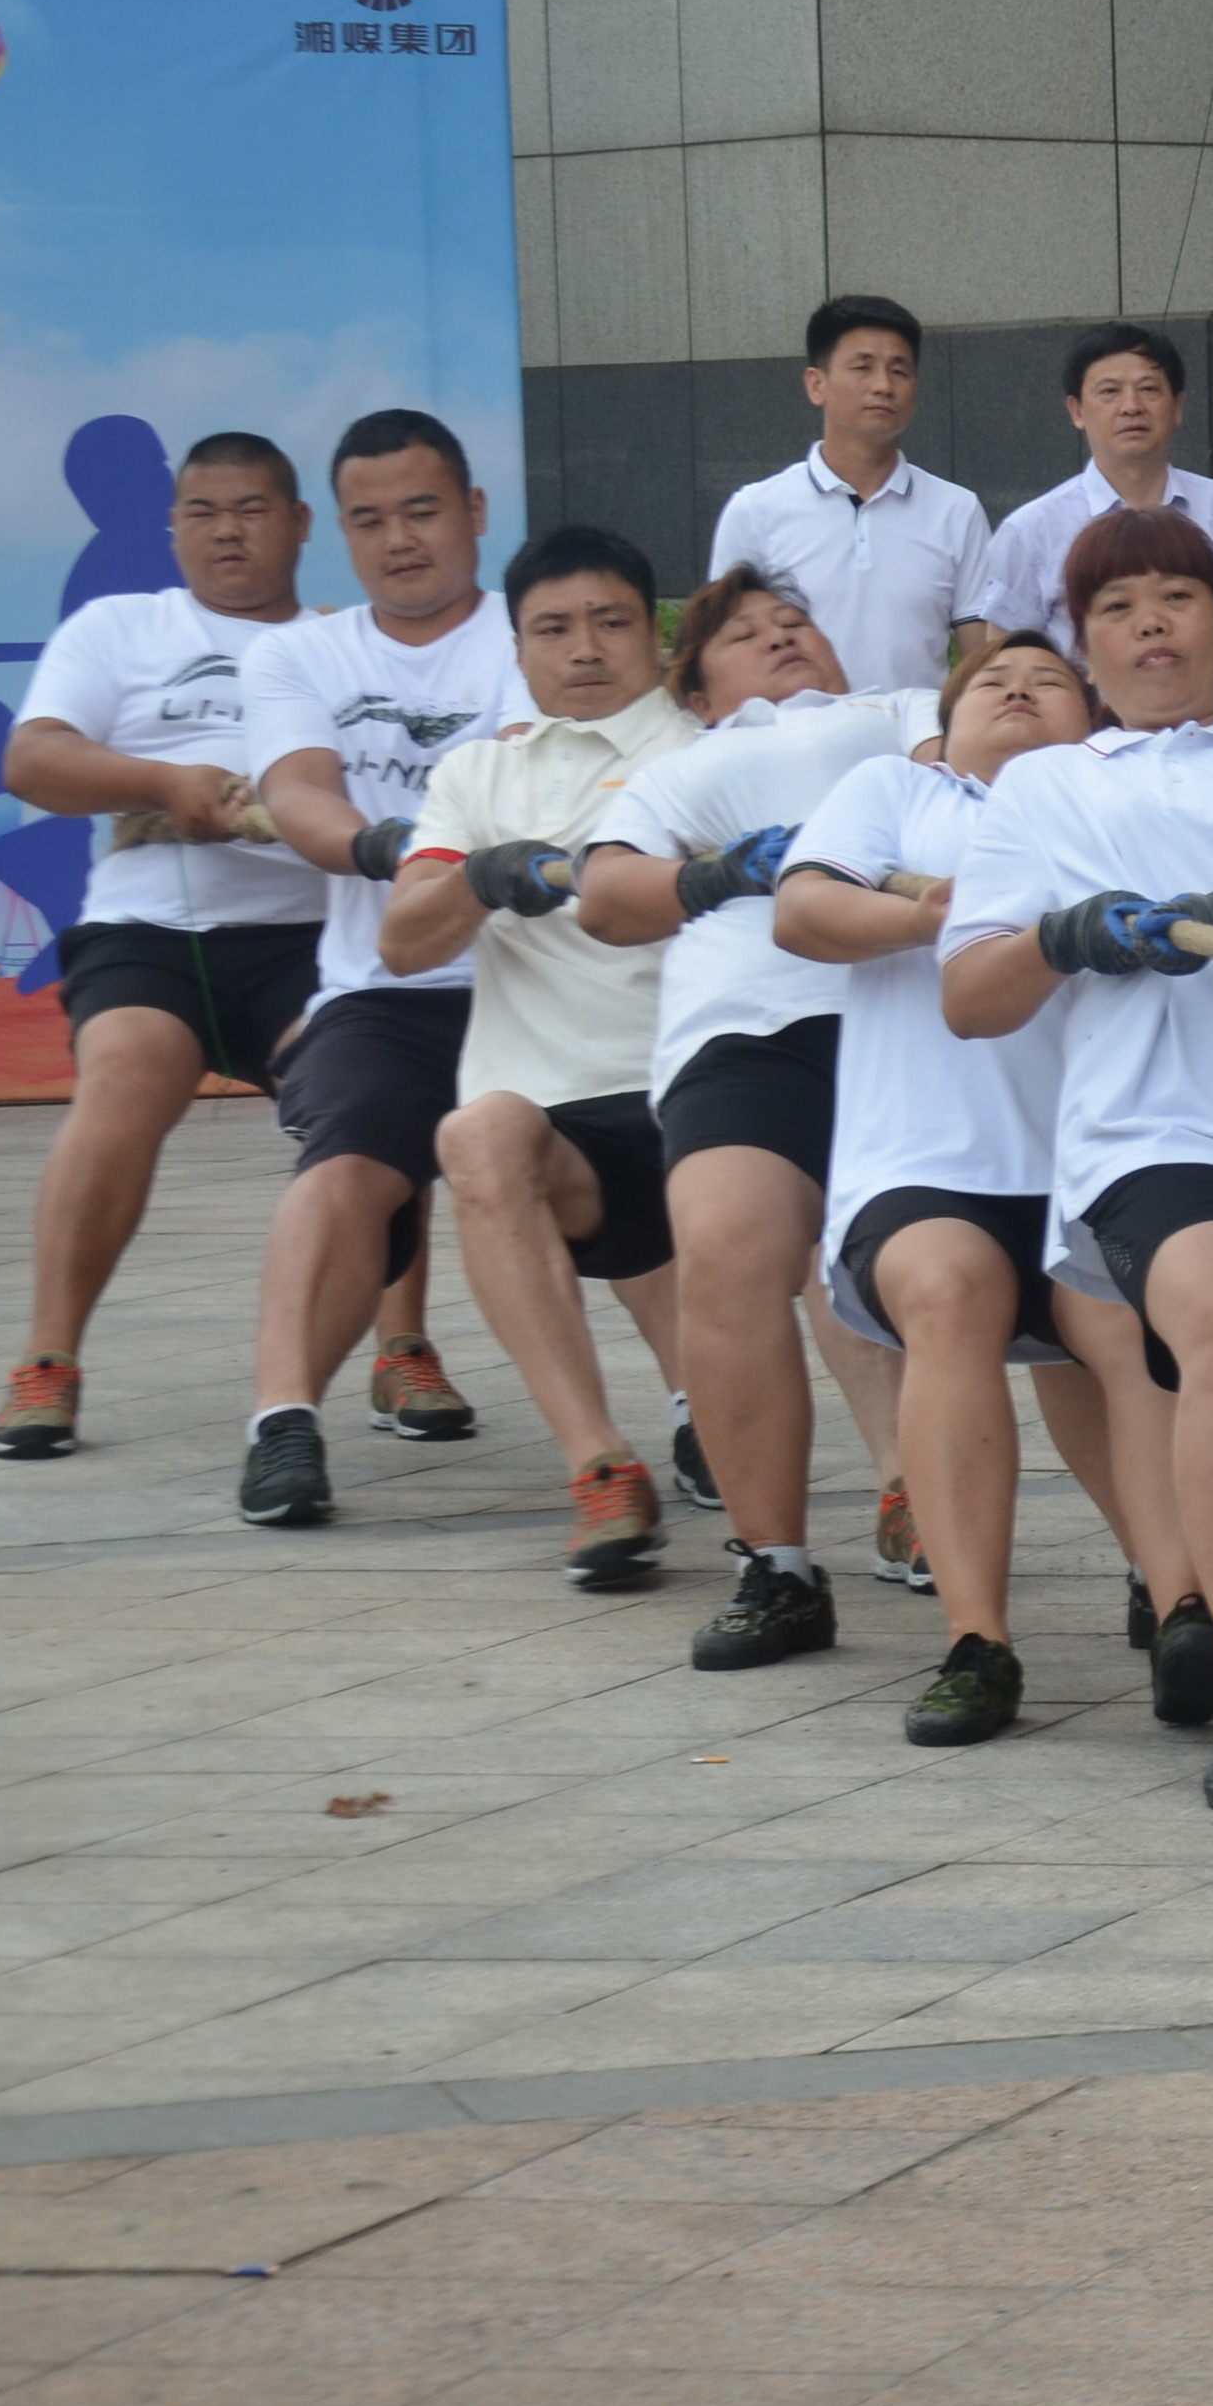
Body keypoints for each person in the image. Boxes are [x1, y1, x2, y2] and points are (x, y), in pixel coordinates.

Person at [941, 505, 1213, 1805]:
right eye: (1116, 609)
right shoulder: (1049, 786)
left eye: (1178, 597)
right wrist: (1068, 937)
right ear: (1084, 643)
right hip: (1158, 1135)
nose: (1151, 625)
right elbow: (970, 995)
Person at [774, 634, 1137, 1747]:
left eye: (1048, 681)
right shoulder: (893, 790)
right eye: (991, 681)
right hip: (924, 1162)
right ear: (946, 723)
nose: (1018, 689)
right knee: (949, 1296)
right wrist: (947, 916)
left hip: (1092, 1157)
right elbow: (803, 911)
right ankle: (977, 1640)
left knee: (1118, 1339)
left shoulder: (1116, 801)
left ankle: (1182, 1596)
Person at [571, 573, 942, 1655]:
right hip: (742, 1026)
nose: (778, 639)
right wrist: (716, 875)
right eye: (742, 633)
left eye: (796, 624)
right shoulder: (680, 769)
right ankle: (774, 1565)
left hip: (903, 1013)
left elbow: (959, 783)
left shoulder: (895, 713)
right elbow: (604, 896)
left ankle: (938, 1501)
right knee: (729, 1248)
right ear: (694, 690)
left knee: (940, 1270)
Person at [0, 431, 379, 1461]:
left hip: (309, 937)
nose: (226, 531)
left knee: (373, 1097)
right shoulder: (119, 627)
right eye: (201, 511)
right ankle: (47, 1359)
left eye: (251, 508)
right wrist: (164, 785)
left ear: (300, 524)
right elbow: (32, 760)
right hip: (147, 935)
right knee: (121, 1080)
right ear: (170, 527)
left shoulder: (345, 642)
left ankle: (405, 1346)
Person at [230, 409, 530, 1529]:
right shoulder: (299, 652)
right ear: (339, 536)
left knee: (652, 1180)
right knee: (345, 1172)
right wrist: (393, 849)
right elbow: (301, 794)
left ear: (473, 513)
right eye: (370, 520)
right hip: (381, 992)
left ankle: (699, 1415)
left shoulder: (531, 632)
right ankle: (282, 1424)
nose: (399, 538)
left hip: (535, 982)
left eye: (422, 510)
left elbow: (531, 782)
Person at [387, 525, 699, 1588]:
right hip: (556, 1123)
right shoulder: (476, 774)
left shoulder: (707, 752)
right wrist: (480, 878)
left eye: (611, 621)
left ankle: (889, 1488)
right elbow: (402, 938)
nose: (584, 648)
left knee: (736, 1417)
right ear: (515, 648)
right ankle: (600, 1467)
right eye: (552, 628)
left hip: (702, 1100)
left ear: (653, 634)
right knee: (474, 1134)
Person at [963, 325, 1213, 704]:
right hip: (1087, 750)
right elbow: (1006, 656)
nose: (1131, 407)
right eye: (1109, 392)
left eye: (1148, 389)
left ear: (1177, 407)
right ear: (1077, 411)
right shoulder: (1031, 529)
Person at [699, 296, 990, 692]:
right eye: (862, 367)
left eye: (899, 370)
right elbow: (723, 649)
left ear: (915, 390)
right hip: (796, 743)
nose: (883, 386)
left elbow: (980, 656)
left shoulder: (956, 510)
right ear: (816, 384)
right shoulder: (754, 511)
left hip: (913, 745)